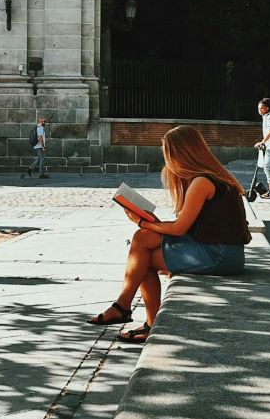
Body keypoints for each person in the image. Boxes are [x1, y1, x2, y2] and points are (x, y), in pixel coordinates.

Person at [89, 125, 251, 343]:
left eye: (168, 154)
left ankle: (138, 316)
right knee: (143, 239)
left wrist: (142, 222)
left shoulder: (202, 182)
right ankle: (127, 310)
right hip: (225, 252)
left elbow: (178, 229)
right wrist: (151, 224)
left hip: (219, 255)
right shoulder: (214, 177)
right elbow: (184, 225)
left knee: (143, 257)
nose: (168, 162)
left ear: (181, 154)